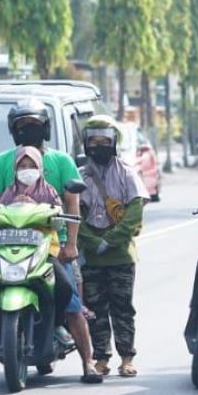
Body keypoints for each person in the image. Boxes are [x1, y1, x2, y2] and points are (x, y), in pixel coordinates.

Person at [0, 99, 103, 384]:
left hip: (51, 248)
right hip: (8, 245)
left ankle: (89, 363)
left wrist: (70, 244)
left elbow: (72, 204)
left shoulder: (59, 164)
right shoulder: (3, 163)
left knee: (71, 300)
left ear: (45, 129)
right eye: (22, 127)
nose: (28, 132)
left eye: (34, 126)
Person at [76, 116, 147, 377]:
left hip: (120, 255)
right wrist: (92, 241)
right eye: (93, 141)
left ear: (114, 142)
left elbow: (134, 214)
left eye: (104, 141)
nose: (98, 146)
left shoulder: (127, 174)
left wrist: (110, 240)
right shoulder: (80, 176)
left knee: (123, 308)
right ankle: (101, 358)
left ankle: (127, 358)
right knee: (94, 310)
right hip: (91, 257)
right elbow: (74, 213)